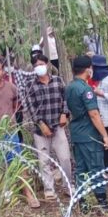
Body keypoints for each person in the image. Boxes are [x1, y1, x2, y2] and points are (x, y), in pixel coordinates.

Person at [0, 56, 41, 209]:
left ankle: (28, 194)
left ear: (3, 70)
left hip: (10, 132)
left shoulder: (11, 87)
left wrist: (12, 122)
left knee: (17, 162)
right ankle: (2, 194)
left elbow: (15, 107)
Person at [67, 56, 108, 210]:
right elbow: (93, 114)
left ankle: (83, 203)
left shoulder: (70, 87)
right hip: (89, 135)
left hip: (77, 133)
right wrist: (105, 136)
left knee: (81, 168)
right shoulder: (86, 89)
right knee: (96, 167)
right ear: (88, 69)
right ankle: (103, 203)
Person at [28, 53, 73, 201]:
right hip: (40, 130)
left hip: (58, 126)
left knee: (65, 158)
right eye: (36, 66)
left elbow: (65, 99)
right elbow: (31, 107)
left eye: (41, 64)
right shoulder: (31, 85)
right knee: (44, 160)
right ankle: (49, 189)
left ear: (47, 64)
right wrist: (41, 124)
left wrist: (64, 114)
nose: (39, 67)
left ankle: (68, 186)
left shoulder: (58, 81)